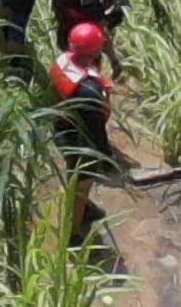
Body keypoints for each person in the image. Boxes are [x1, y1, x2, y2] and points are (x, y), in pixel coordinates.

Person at [51, 21, 116, 247]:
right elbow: (95, 131)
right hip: (80, 138)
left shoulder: (62, 61)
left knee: (73, 175)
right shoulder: (90, 92)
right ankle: (73, 235)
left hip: (61, 127)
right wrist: (106, 157)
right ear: (94, 51)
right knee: (82, 183)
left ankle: (85, 209)